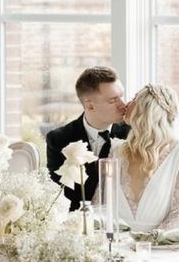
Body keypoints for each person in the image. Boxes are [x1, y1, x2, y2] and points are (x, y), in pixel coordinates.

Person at [99, 83, 179, 232]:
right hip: (116, 244)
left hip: (158, 247)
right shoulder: (117, 151)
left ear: (146, 109)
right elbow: (100, 202)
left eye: (134, 98)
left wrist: (150, 240)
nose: (127, 103)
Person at [46, 66, 130, 211]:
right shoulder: (58, 139)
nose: (123, 105)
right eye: (113, 100)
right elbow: (60, 197)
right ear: (90, 106)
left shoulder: (132, 134)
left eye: (121, 96)